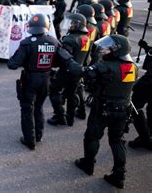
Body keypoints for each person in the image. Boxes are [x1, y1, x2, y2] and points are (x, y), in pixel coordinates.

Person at [58, 35, 138, 189]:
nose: (104, 50)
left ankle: (88, 164)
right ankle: (119, 175)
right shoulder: (132, 66)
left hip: (103, 108)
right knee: (117, 141)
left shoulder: (106, 67)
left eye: (108, 47)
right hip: (123, 109)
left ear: (117, 50)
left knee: (92, 136)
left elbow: (80, 71)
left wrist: (67, 58)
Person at [8, 14, 62, 150]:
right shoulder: (54, 42)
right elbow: (59, 62)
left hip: (30, 79)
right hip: (46, 79)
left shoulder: (27, 42)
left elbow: (13, 64)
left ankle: (29, 139)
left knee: (27, 109)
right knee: (39, 107)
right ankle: (38, 135)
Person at [48, 13, 90, 127]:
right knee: (71, 94)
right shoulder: (86, 37)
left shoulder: (70, 39)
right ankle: (70, 118)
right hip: (78, 70)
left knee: (54, 91)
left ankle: (59, 116)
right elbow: (87, 57)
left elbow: (63, 57)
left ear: (77, 25)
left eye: (72, 23)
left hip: (66, 71)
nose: (70, 25)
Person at [129, 39, 152, 150]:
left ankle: (145, 139)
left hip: (148, 84)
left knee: (135, 108)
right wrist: (146, 47)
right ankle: (149, 135)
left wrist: (136, 86)